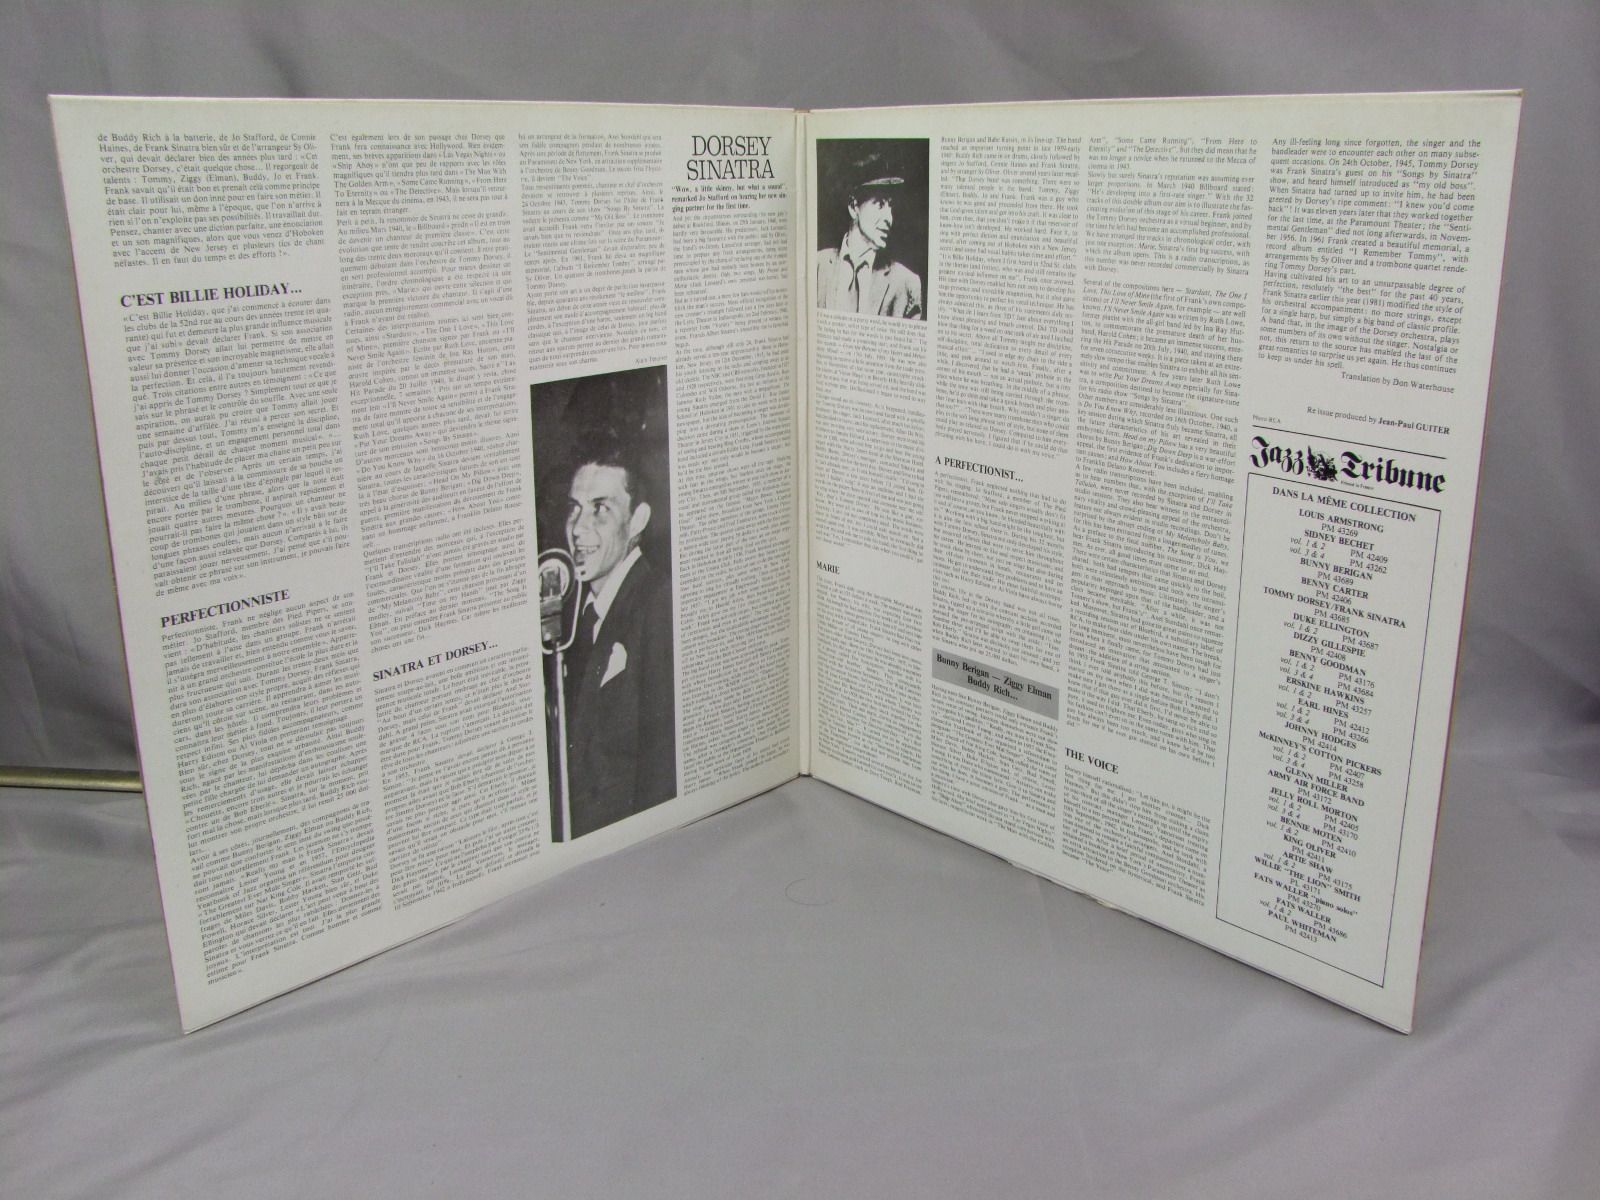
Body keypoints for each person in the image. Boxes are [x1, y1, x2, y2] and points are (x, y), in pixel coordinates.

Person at [558, 443, 677, 837]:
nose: (578, 528)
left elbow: (661, 768)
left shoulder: (657, 603)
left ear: (637, 519)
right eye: (574, 508)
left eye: (600, 508)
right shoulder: (579, 617)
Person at [816, 162, 924, 319]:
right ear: (853, 207)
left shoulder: (906, 283)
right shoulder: (818, 265)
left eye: (891, 207)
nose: (889, 218)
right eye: (880, 204)